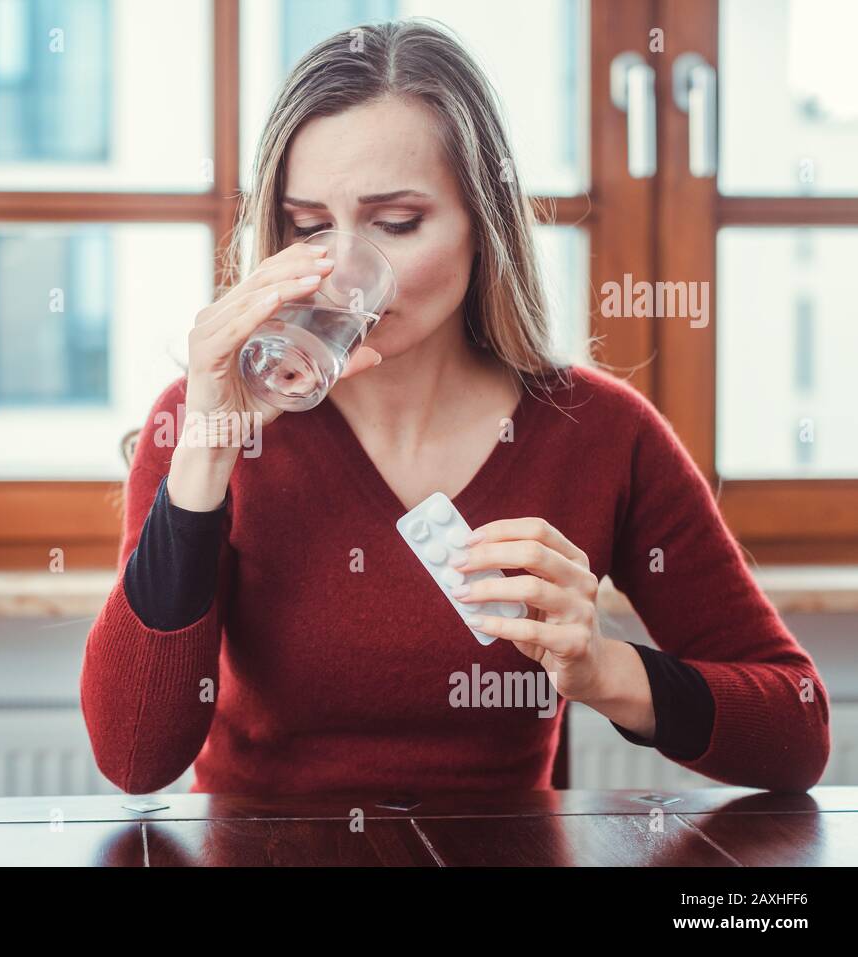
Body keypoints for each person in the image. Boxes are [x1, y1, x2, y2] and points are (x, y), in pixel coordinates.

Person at [80, 19, 829, 796]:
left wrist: (605, 669)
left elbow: (797, 730)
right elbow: (133, 754)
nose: (340, 270)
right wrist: (206, 453)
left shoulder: (602, 434)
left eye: (396, 224)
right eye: (308, 228)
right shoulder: (208, 416)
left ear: (484, 221)